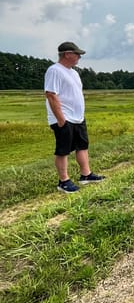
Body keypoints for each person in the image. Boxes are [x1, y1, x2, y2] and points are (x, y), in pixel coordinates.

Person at [44, 41, 105, 193]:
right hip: (64, 118)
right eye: (77, 54)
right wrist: (61, 120)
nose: (79, 57)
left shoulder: (74, 72)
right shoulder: (55, 70)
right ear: (67, 54)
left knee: (82, 146)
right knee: (63, 149)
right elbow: (51, 95)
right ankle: (63, 181)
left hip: (77, 117)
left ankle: (86, 175)